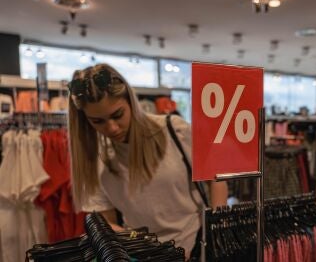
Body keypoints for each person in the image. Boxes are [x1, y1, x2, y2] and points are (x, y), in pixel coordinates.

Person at [67, 63, 228, 259]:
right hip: (142, 254)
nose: (112, 128)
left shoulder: (174, 131)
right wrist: (148, 248)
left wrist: (217, 229)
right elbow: (108, 222)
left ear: (131, 103)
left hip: (198, 248)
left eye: (118, 115)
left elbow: (216, 178)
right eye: (97, 121)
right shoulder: (96, 160)